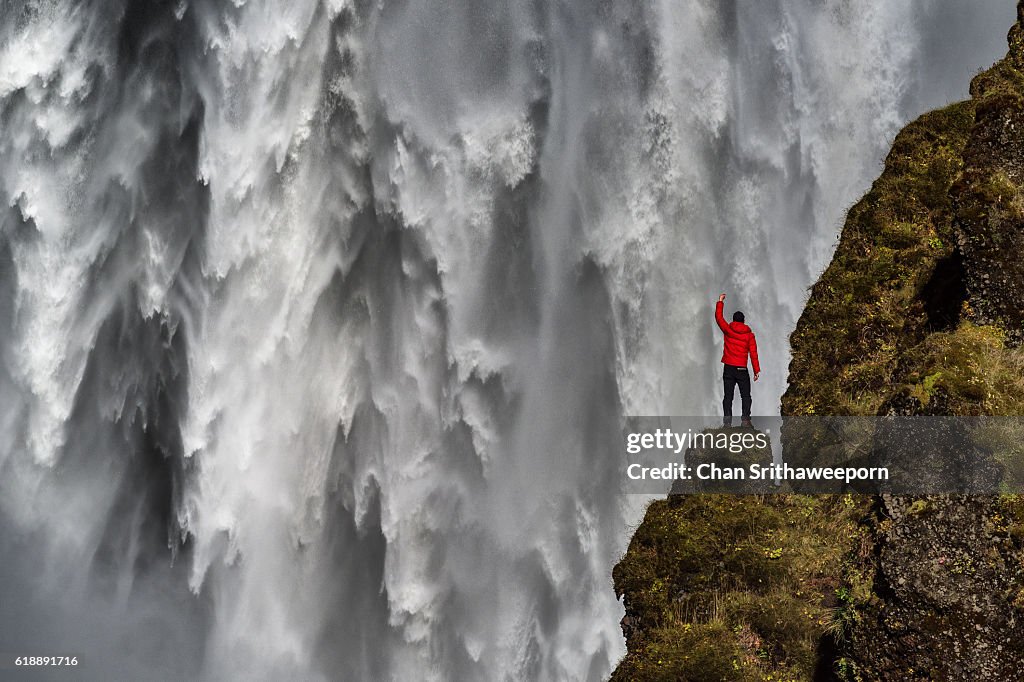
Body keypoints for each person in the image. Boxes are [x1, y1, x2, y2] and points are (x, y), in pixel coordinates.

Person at [715, 293, 760, 427]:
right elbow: (753, 353)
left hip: (728, 368)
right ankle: (746, 420)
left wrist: (720, 301)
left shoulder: (728, 330)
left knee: (728, 397)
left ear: (734, 320)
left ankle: (727, 423)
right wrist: (756, 370)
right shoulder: (749, 335)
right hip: (741, 369)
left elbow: (719, 318)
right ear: (744, 321)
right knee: (745, 396)